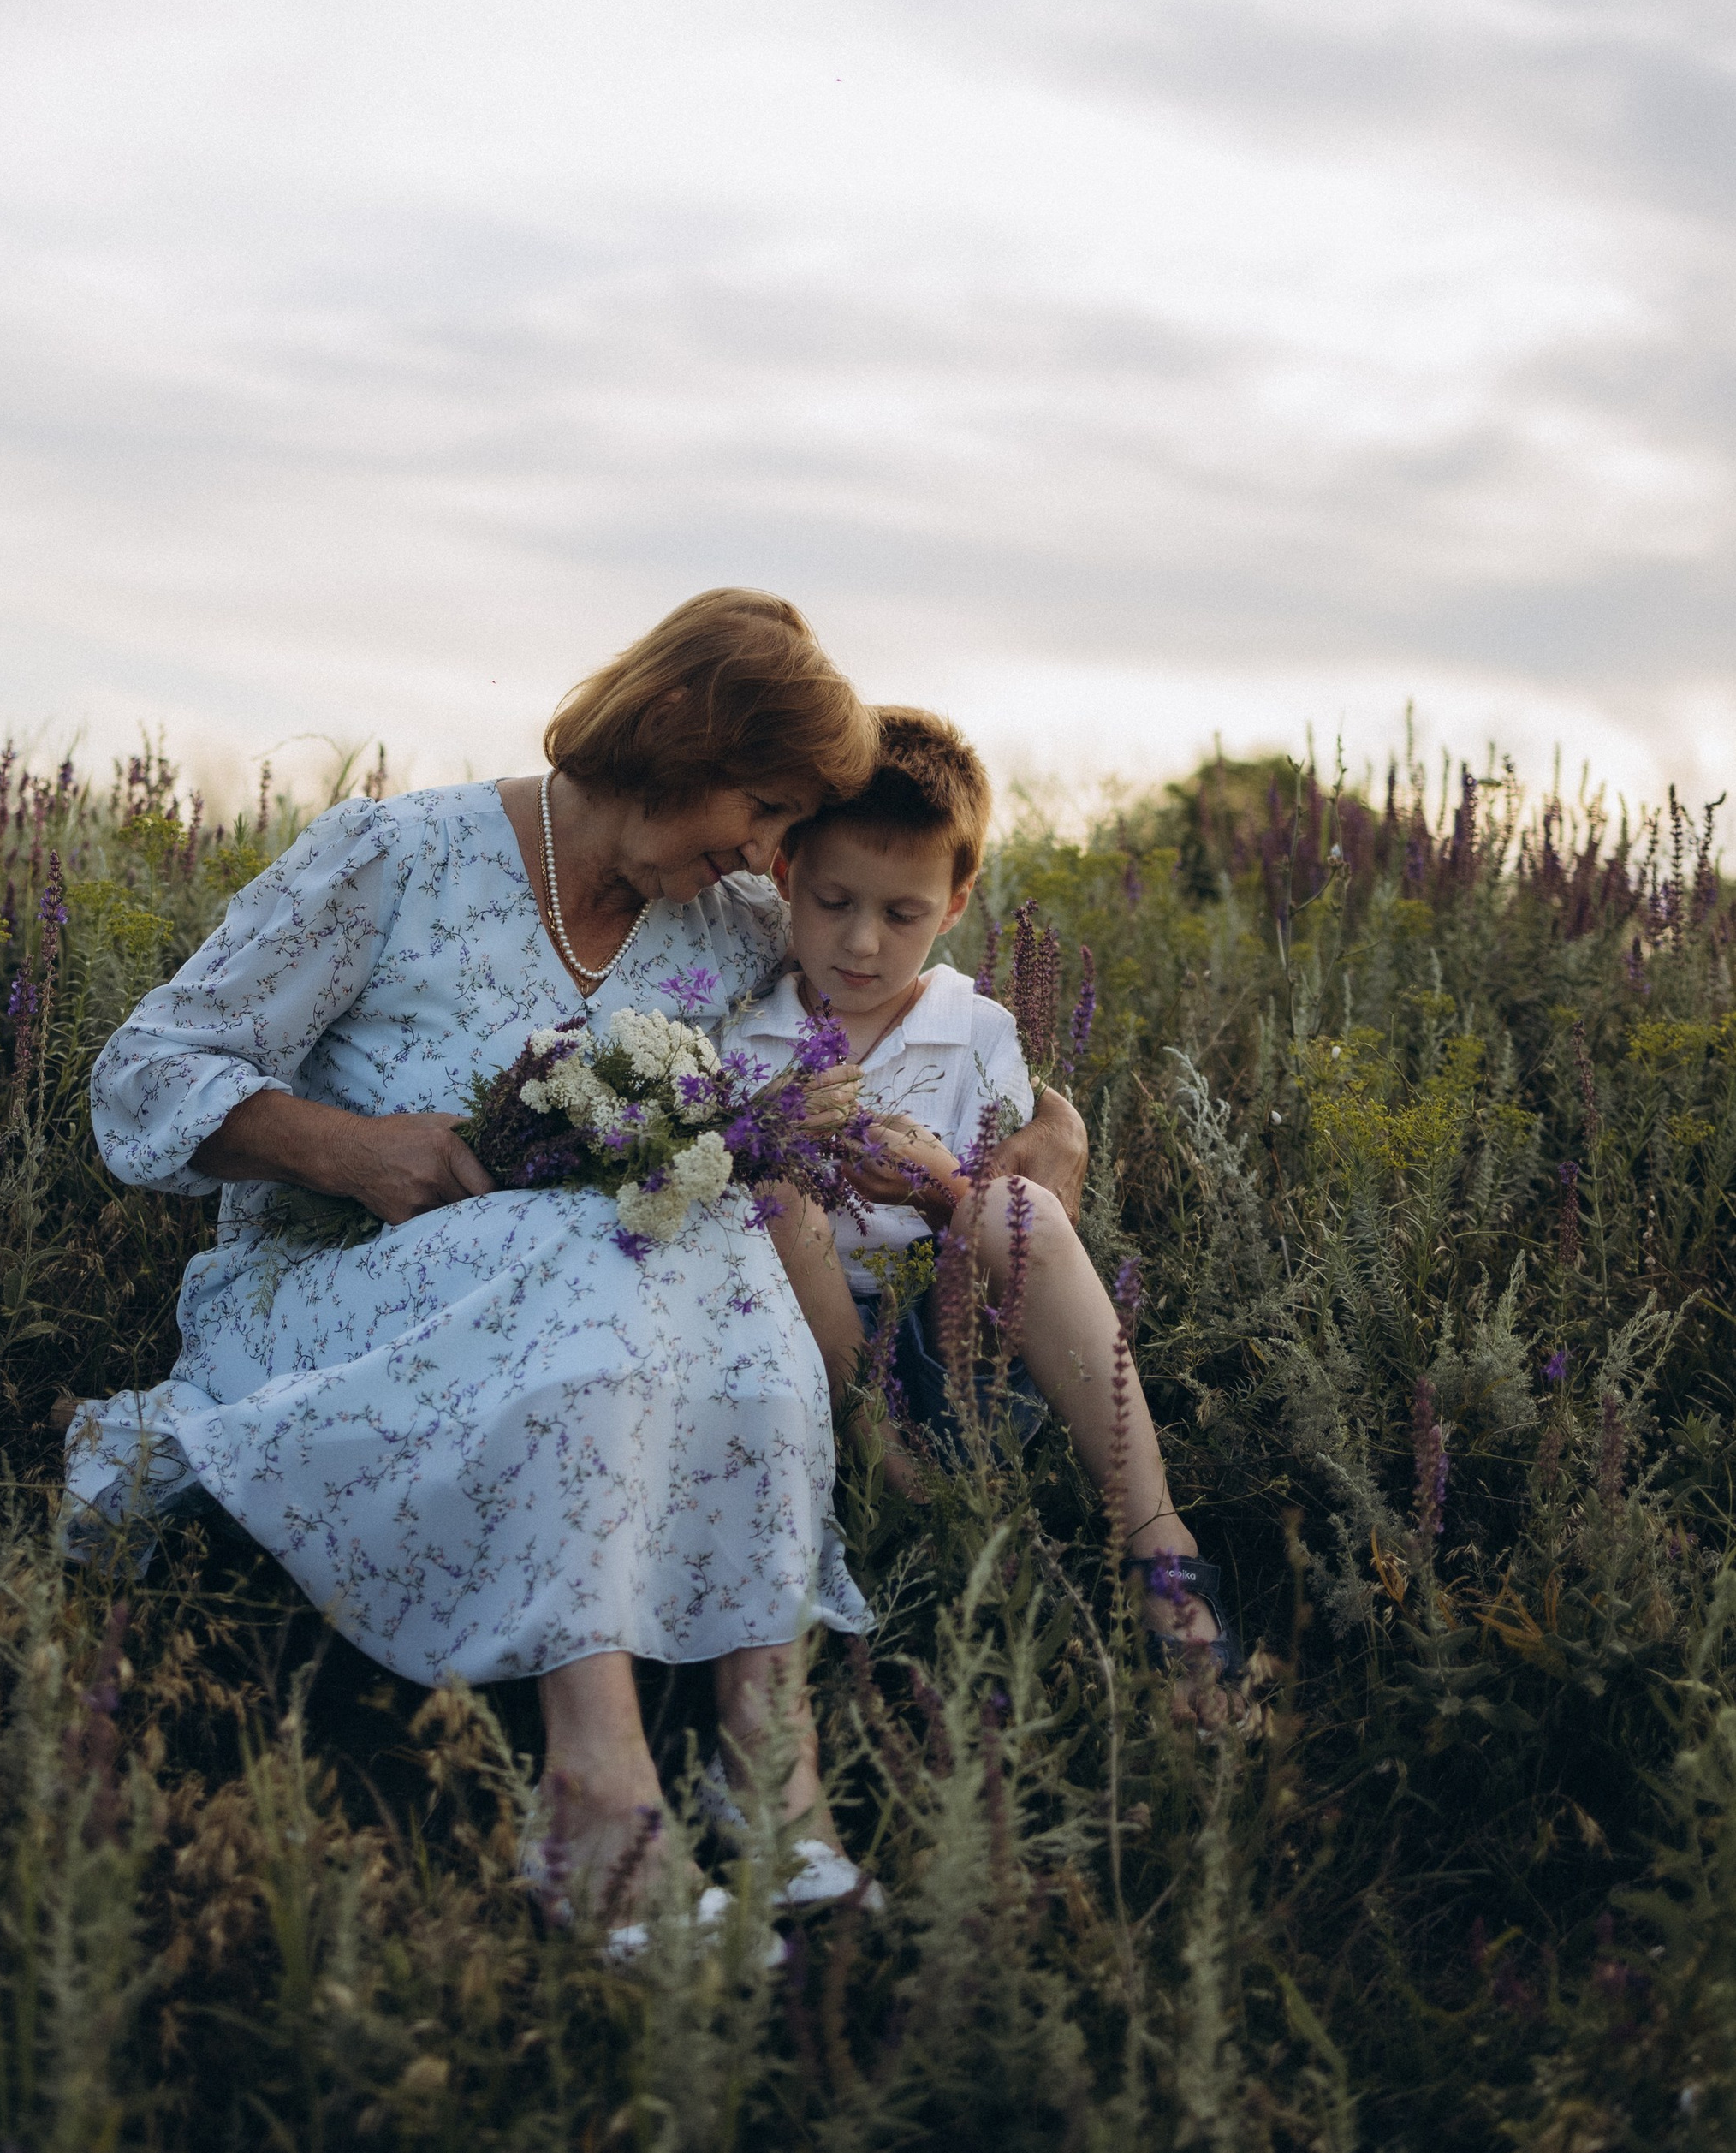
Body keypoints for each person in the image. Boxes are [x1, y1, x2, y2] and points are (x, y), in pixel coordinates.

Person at [71, 592, 1088, 1925]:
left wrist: (1049, 1127)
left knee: (718, 1223)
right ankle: (595, 1799)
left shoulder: (726, 923)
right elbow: (142, 1075)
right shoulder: (396, 858)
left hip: (620, 1311)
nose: (769, 855)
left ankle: (766, 1771)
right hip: (345, 1288)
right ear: (675, 729)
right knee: (613, 1234)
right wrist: (353, 1150)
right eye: (763, 808)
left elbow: (891, 1020)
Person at [728, 707, 1242, 1679]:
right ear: (786, 876)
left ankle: (1155, 1533)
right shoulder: (747, 1029)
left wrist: (938, 1187)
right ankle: (894, 1478)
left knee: (1008, 1208)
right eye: (834, 901)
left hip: (957, 1342)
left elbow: (1013, 1213)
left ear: (956, 904)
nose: (862, 943)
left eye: (902, 915)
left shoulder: (979, 1031)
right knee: (777, 1202)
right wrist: (774, 1133)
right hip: (811, 1356)